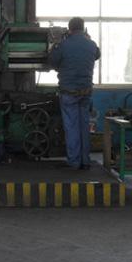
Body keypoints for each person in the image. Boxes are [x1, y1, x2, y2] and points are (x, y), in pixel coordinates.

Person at [49, 17, 101, 170]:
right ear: (83, 29)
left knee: (72, 127)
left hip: (69, 92)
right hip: (86, 92)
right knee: (84, 126)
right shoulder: (91, 44)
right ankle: (85, 161)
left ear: (69, 29)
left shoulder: (65, 45)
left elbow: (53, 61)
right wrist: (88, 39)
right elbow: (97, 54)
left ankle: (73, 161)